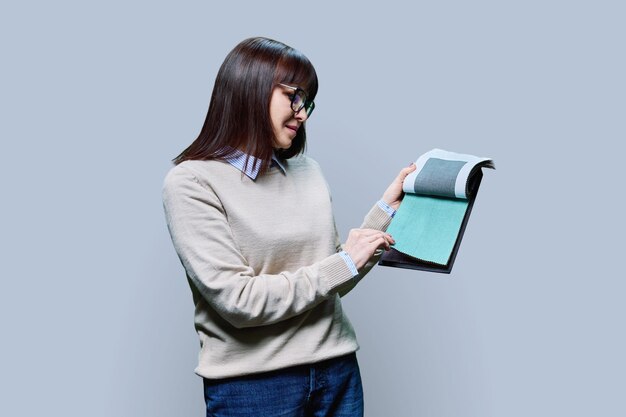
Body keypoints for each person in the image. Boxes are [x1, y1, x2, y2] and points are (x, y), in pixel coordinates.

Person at [162, 37, 416, 417]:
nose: (303, 114)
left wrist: (384, 212)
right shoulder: (191, 182)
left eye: (308, 101)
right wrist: (344, 262)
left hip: (338, 369)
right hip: (254, 386)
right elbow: (239, 302)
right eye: (294, 97)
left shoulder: (307, 170)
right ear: (250, 90)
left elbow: (329, 282)